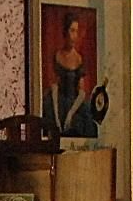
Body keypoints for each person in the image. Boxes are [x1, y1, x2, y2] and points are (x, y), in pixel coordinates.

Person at [40, 11, 109, 139]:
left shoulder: (78, 59)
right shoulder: (58, 55)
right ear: (65, 32)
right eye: (72, 31)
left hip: (75, 103)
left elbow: (82, 93)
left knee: (85, 126)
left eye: (76, 31)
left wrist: (70, 114)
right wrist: (56, 117)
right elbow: (54, 87)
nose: (74, 36)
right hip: (58, 100)